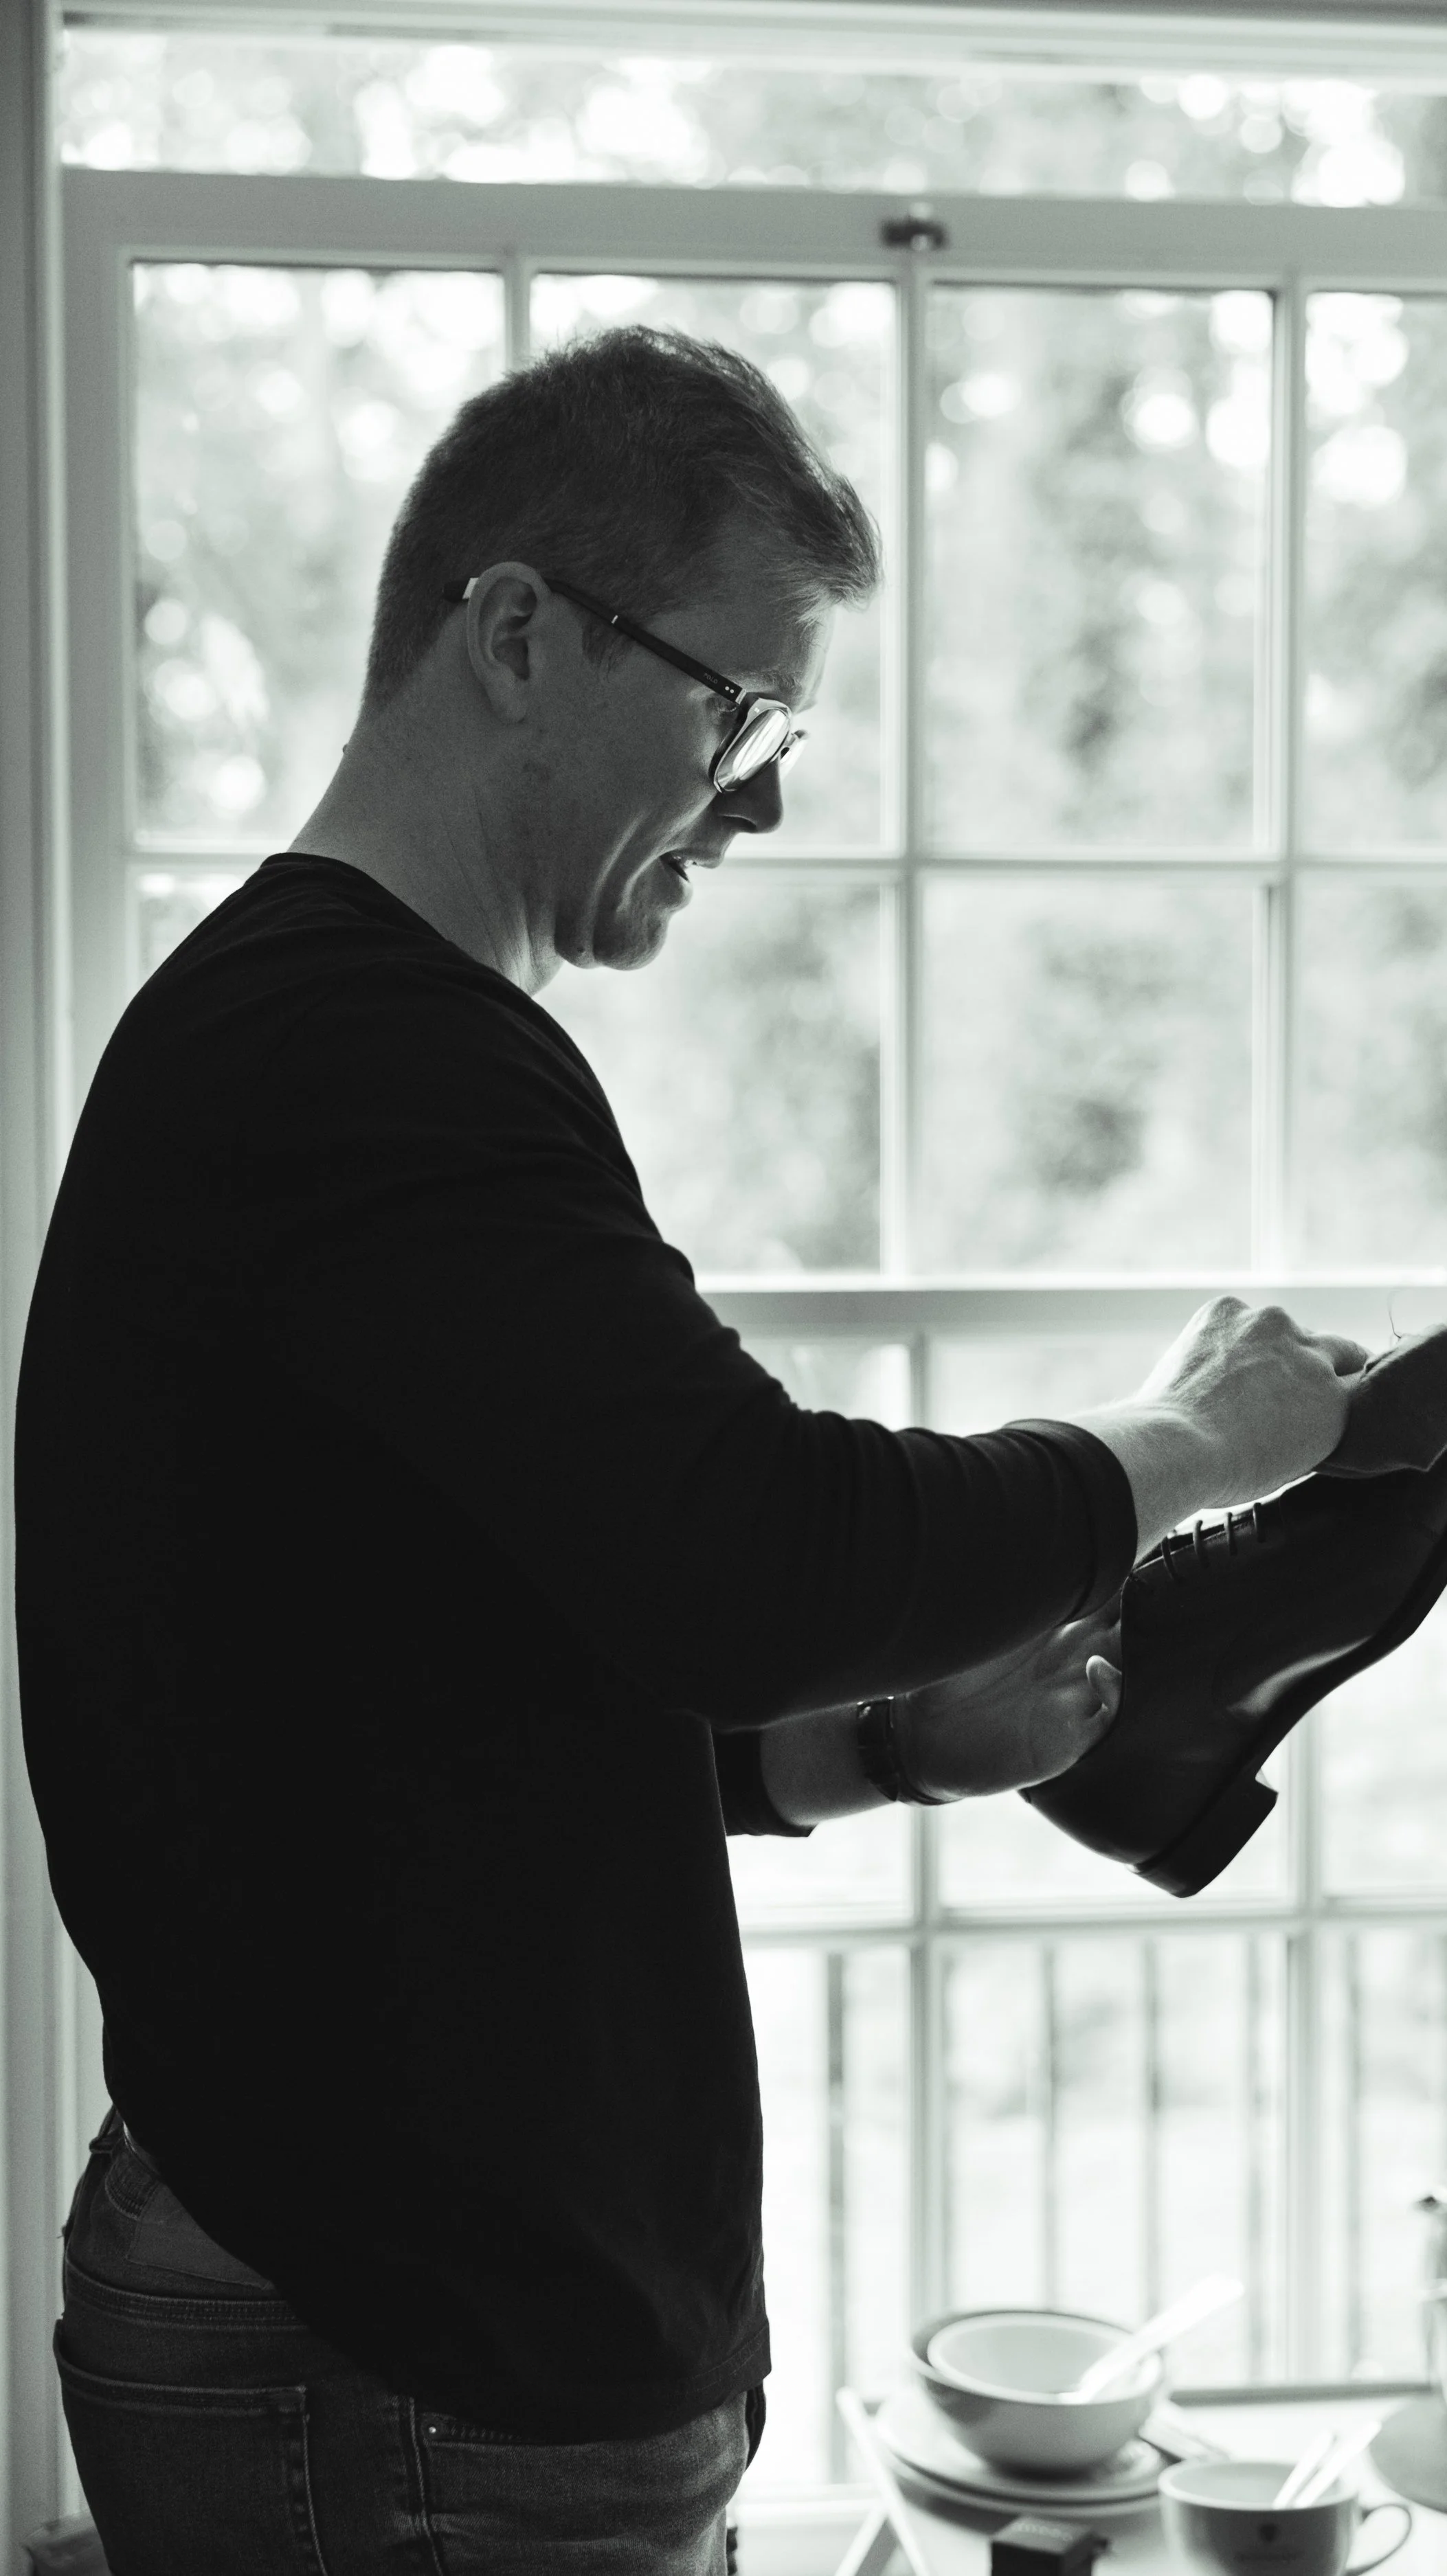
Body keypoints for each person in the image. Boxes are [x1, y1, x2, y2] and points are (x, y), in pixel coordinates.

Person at [14, 326, 1364, 2575]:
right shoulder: (357, 1057)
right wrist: (1181, 1443)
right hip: (397, 2358)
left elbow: (520, 1660)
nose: (765, 798)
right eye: (735, 711)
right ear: (518, 635)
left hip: (443, 2344)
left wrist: (883, 1752)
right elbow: (752, 1547)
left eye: (784, 730)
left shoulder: (384, 1059)